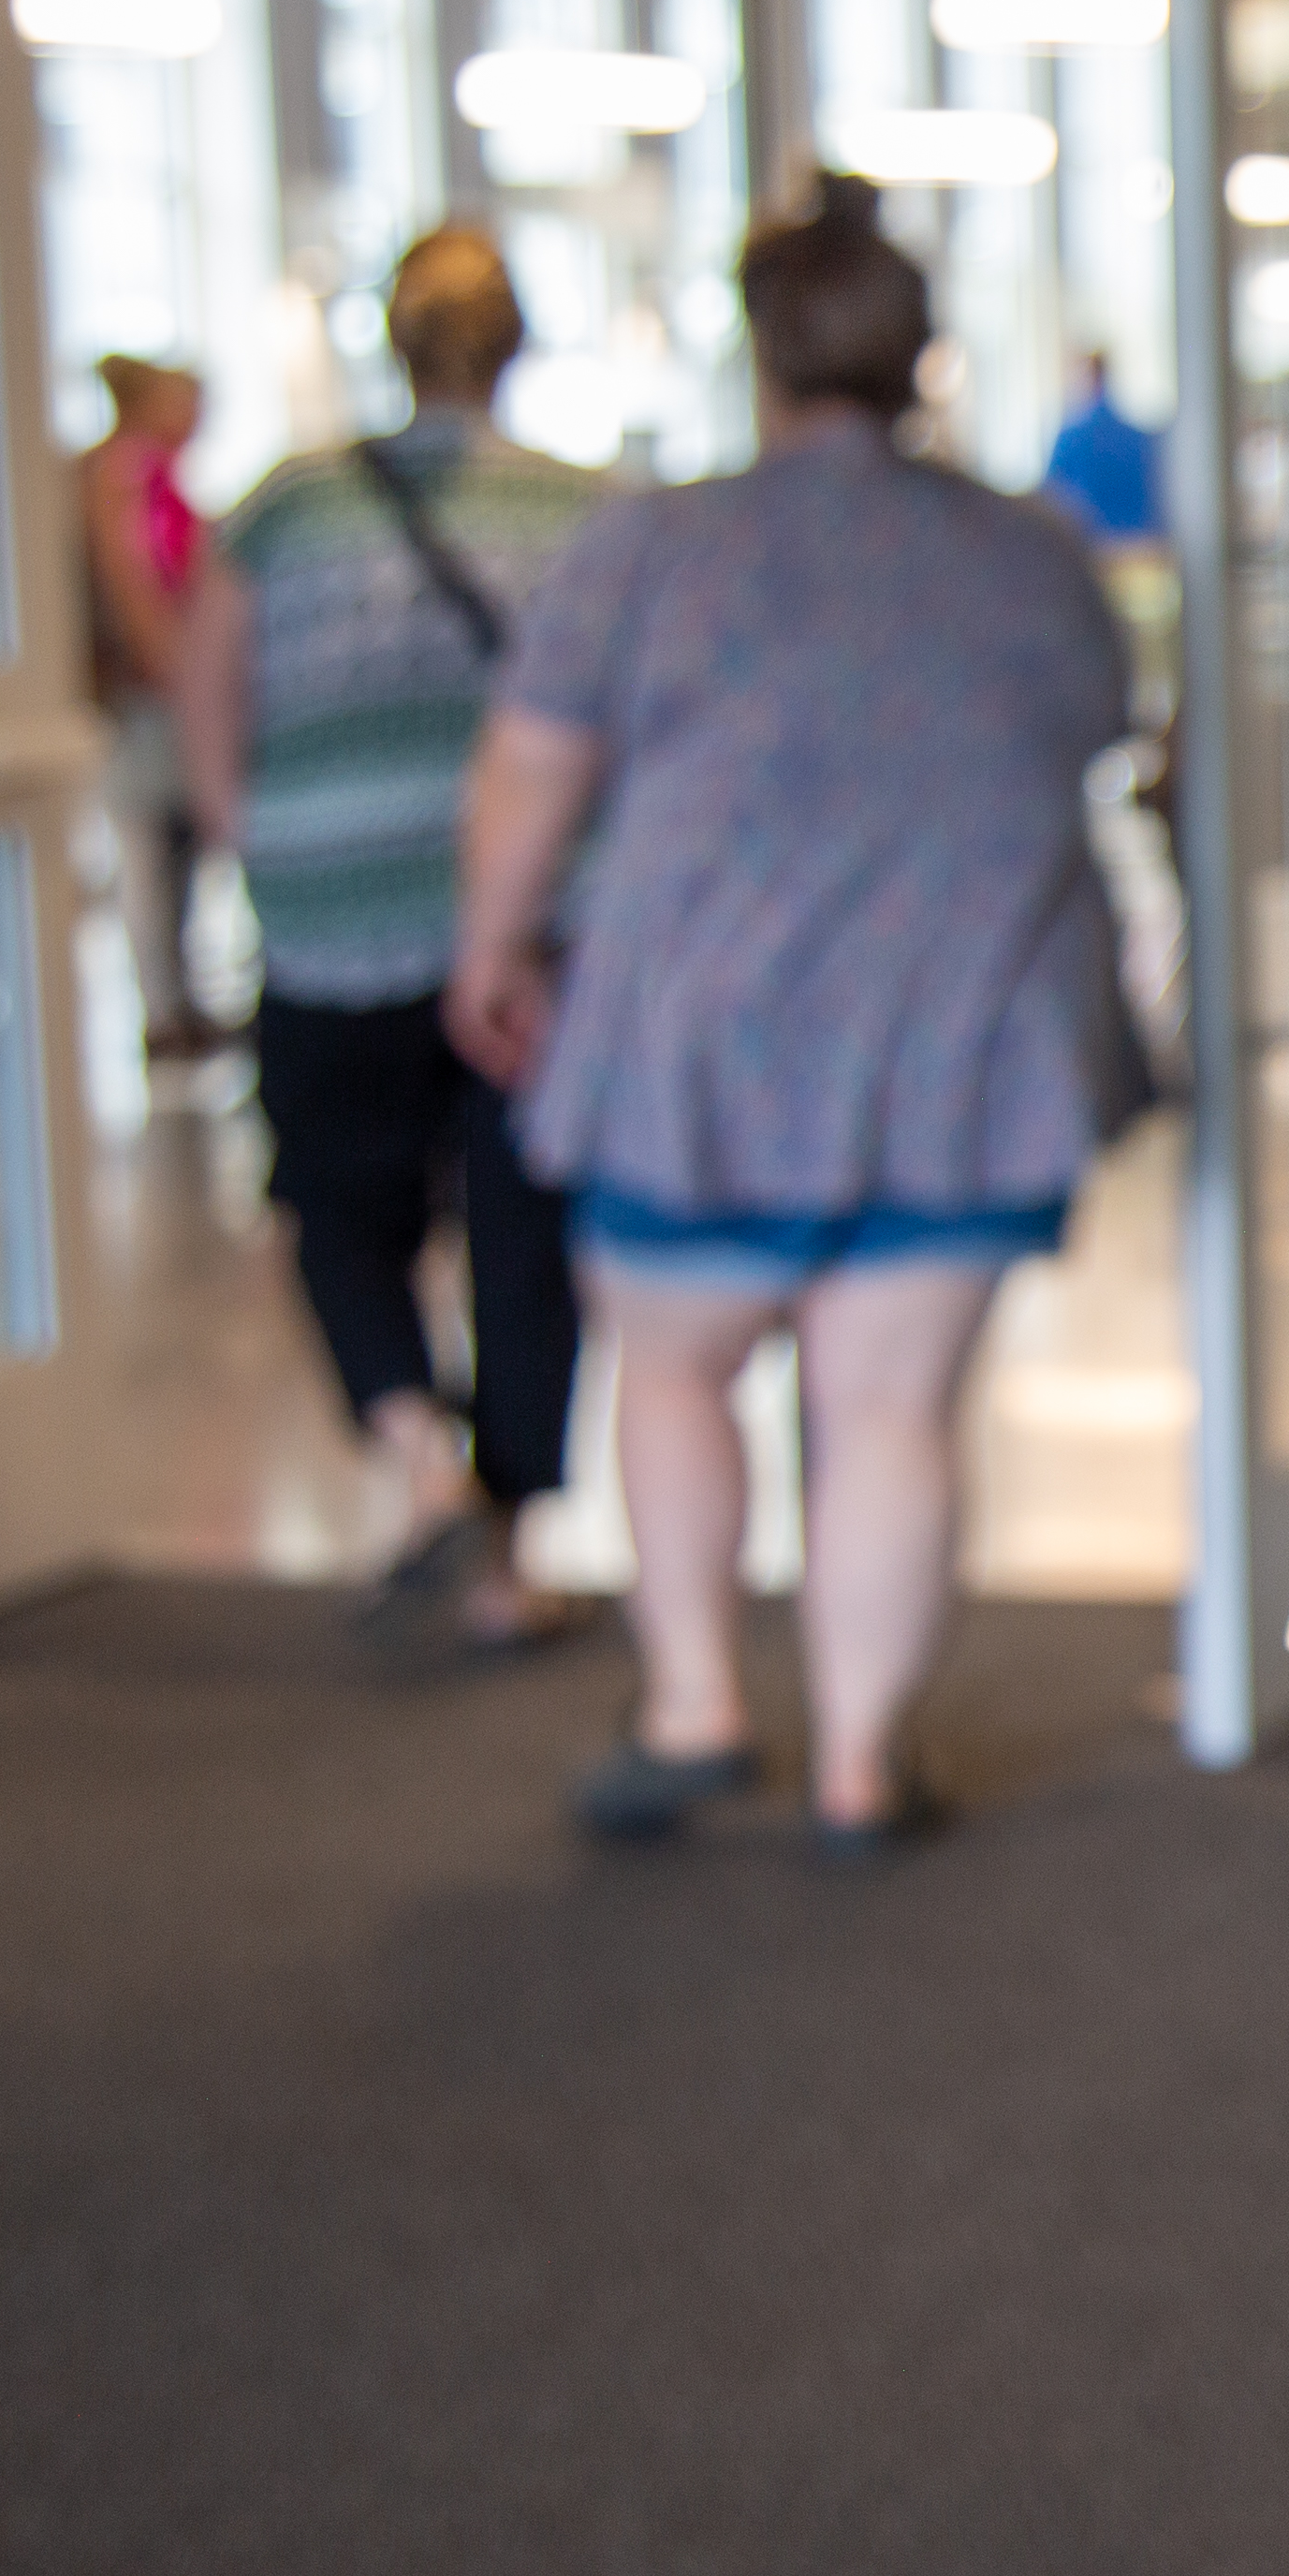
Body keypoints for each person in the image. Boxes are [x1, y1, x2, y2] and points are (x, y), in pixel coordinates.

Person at [451, 182, 1142, 1861]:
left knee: (675, 1369)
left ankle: (693, 1706)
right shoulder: (1029, 553)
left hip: (704, 1031)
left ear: (758, 357)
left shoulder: (652, 547)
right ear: (924, 361)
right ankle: (856, 1765)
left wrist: (492, 948)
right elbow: (1106, 740)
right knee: (892, 1410)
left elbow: (534, 770)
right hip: (963, 1024)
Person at [176, 231, 603, 1649]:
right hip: (531, 915)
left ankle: (420, 1459)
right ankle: (507, 1553)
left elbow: (207, 690)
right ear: (517, 345)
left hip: (328, 909)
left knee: (337, 1201)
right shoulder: (583, 511)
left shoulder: (288, 510)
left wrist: (261, 833)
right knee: (521, 1221)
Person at [80, 352, 220, 1064]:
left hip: (158, 683)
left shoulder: (148, 471)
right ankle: (164, 1006)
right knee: (148, 847)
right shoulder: (122, 473)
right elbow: (132, 583)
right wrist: (175, 670)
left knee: (170, 847)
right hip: (142, 691)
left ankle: (179, 999)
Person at [1035, 347, 1161, 545]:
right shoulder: (1139, 437)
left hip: (1089, 547)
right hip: (1141, 547)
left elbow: (1049, 496)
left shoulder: (1071, 438)